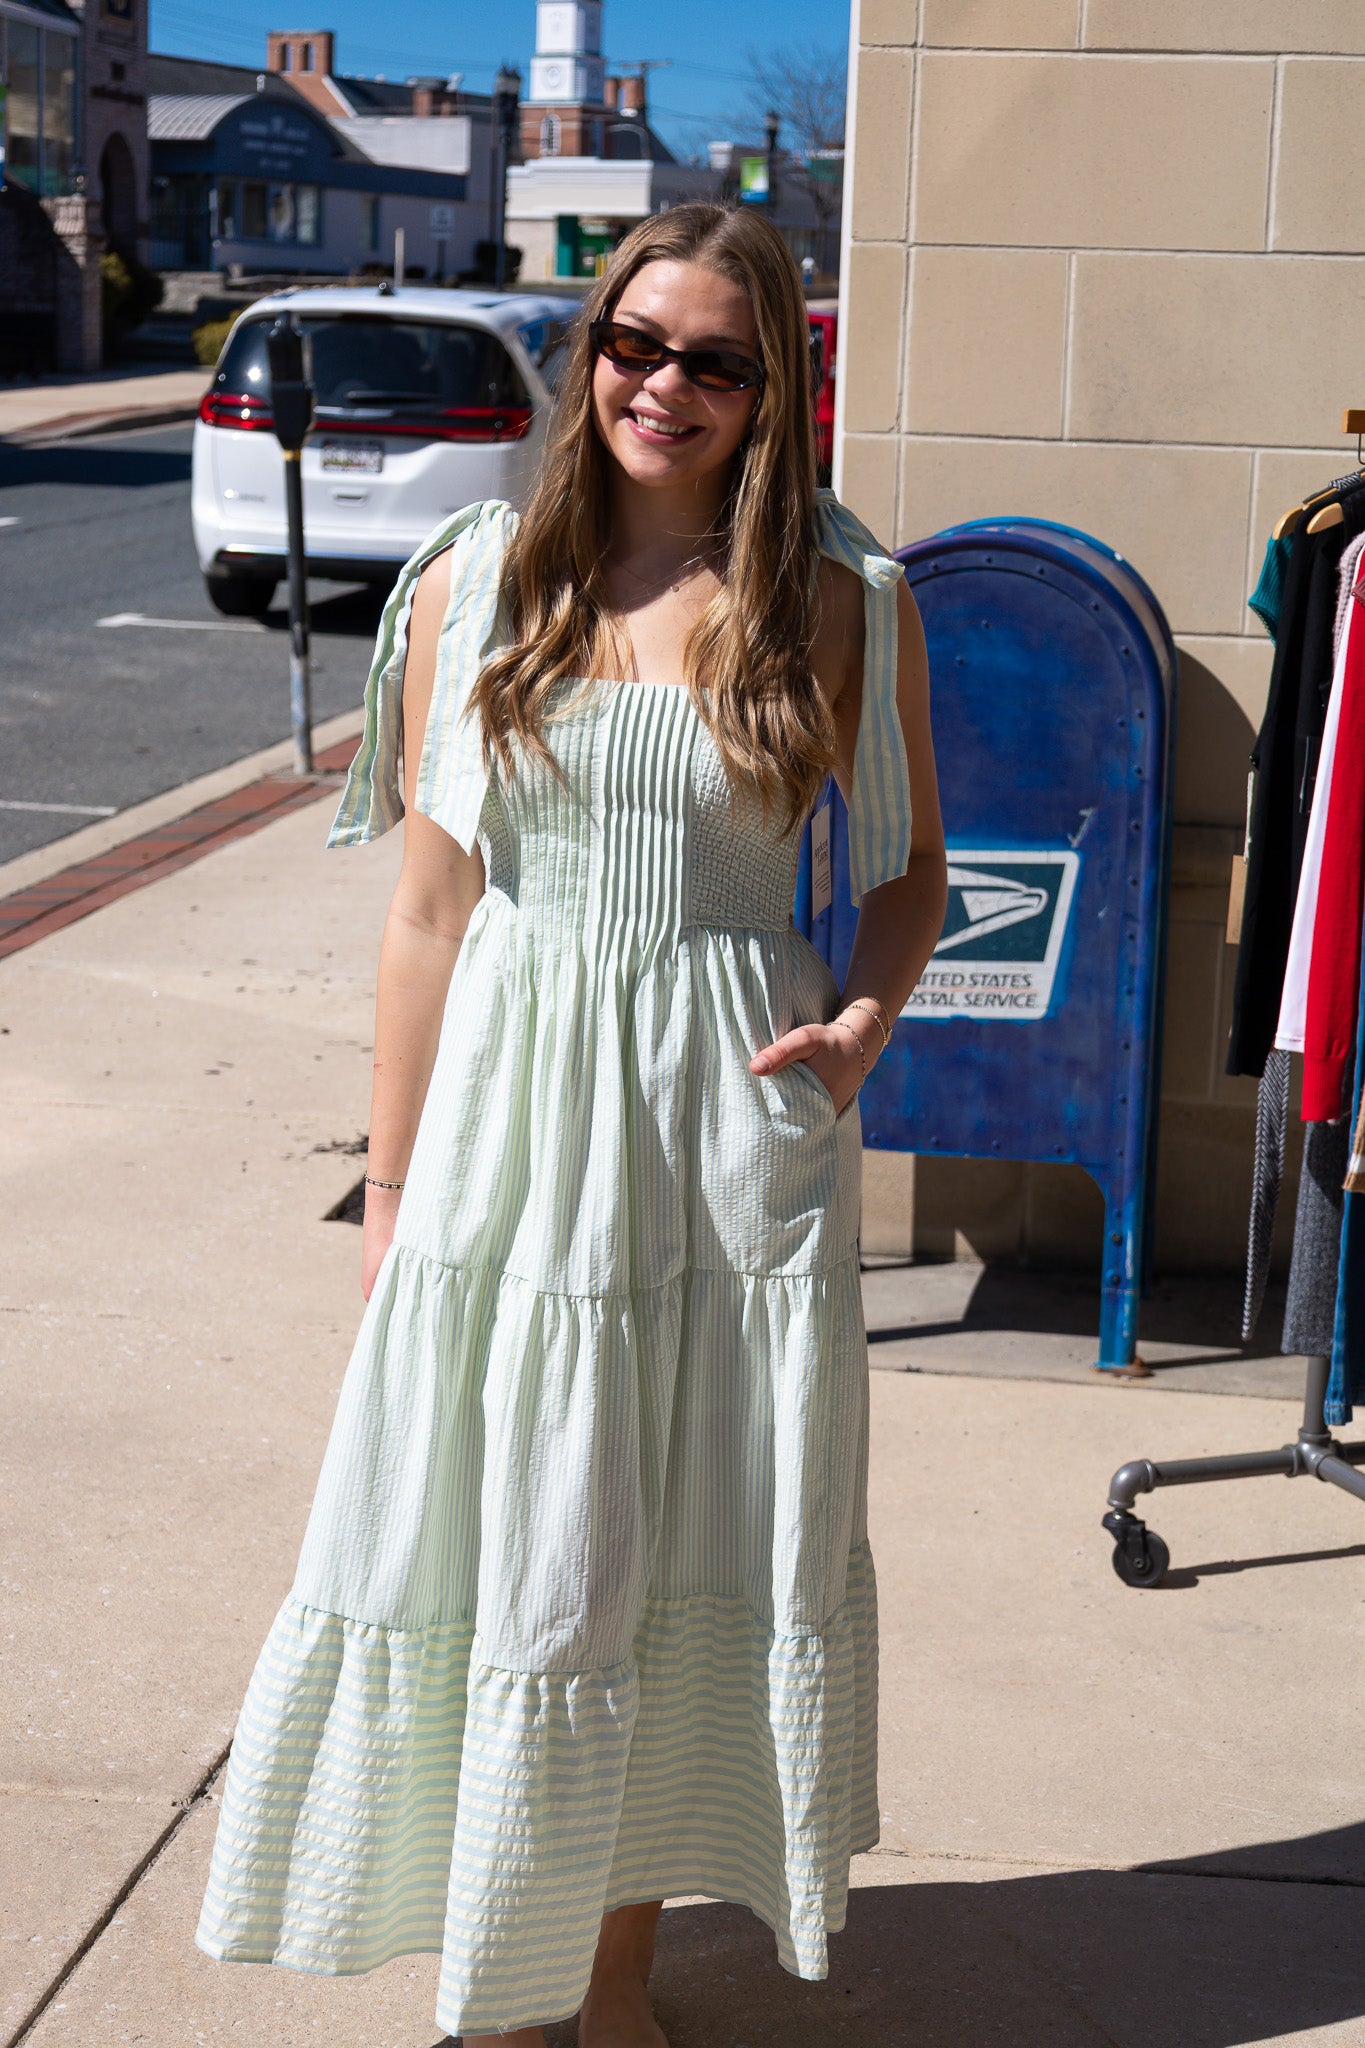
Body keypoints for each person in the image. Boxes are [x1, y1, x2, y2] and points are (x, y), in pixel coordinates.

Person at [195, 201, 947, 2045]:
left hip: (724, 1120)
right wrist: (388, 1190)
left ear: (772, 390)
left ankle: (609, 1983)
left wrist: (855, 1033)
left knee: (671, 1545)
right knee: (510, 1537)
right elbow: (427, 912)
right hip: (515, 1120)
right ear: (587, 346)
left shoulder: (837, 594)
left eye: (715, 362)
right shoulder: (476, 574)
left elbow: (913, 869)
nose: (662, 386)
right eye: (633, 342)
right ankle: (503, 1965)